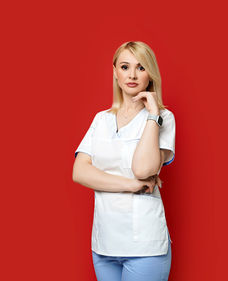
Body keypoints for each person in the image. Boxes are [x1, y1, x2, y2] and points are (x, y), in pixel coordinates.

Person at [72, 41, 176, 281]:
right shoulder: (101, 120)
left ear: (150, 73)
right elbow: (80, 172)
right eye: (125, 66)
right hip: (104, 243)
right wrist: (131, 185)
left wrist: (152, 115)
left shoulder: (164, 118)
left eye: (141, 68)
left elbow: (142, 168)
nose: (132, 75)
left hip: (144, 246)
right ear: (115, 72)